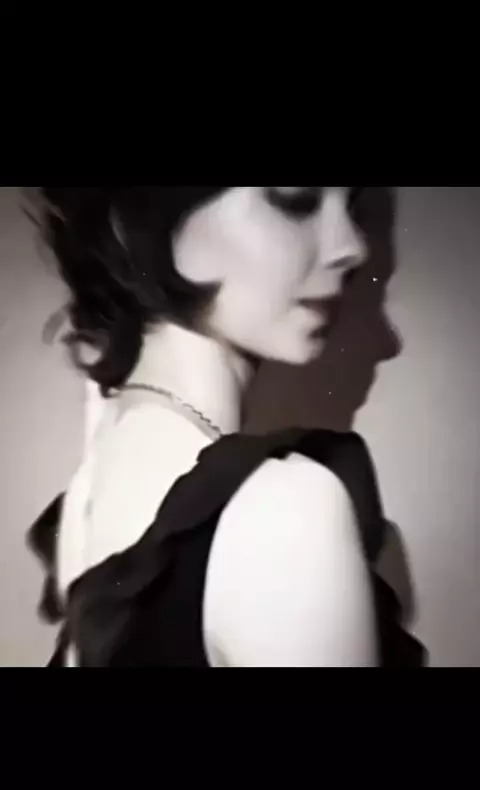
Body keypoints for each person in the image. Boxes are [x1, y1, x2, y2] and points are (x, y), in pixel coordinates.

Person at [27, 187, 424, 667]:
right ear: (142, 220)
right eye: (295, 198)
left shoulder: (94, 478)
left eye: (351, 205)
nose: (352, 246)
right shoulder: (285, 510)